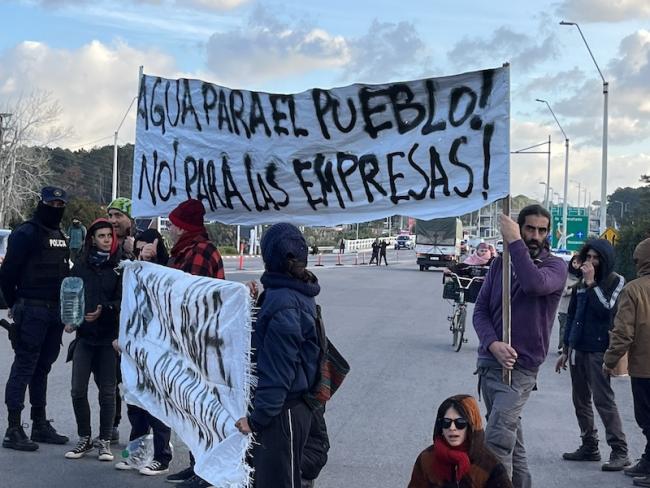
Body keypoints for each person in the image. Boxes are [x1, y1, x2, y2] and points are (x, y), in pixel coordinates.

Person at [473, 204, 567, 488]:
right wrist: (493, 344)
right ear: (520, 227)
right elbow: (480, 312)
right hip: (490, 367)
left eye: (542, 230)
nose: (535, 235)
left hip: (519, 371)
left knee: (496, 444)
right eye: (529, 229)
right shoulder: (500, 265)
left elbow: (533, 285)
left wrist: (514, 241)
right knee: (513, 446)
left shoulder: (555, 267)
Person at [235, 222, 320, 488]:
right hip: (286, 409)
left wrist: (257, 419)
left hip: (282, 414)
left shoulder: (283, 301)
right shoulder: (288, 292)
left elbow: (278, 371)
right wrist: (254, 304)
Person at [0, 186, 71, 451]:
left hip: (53, 311)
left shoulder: (60, 235)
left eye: (59, 205)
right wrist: (15, 302)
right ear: (40, 203)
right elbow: (7, 274)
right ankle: (13, 428)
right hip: (31, 309)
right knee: (24, 366)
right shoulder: (25, 232)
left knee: (43, 368)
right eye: (51, 204)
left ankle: (39, 422)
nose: (55, 208)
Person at [164, 199, 224, 488]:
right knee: (189, 408)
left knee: (201, 410)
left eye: (174, 224)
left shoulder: (199, 252)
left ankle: (206, 471)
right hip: (188, 343)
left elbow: (192, 299)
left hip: (199, 344)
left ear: (184, 226)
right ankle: (196, 465)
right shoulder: (186, 250)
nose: (171, 229)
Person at [556, 239, 629, 471]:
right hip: (579, 348)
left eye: (596, 258)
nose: (591, 262)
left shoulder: (615, 281)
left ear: (604, 259)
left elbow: (607, 310)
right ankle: (589, 445)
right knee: (580, 400)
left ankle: (620, 450)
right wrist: (566, 350)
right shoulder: (579, 285)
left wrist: (591, 284)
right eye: (588, 257)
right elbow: (572, 316)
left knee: (603, 400)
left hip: (599, 350)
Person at [114, 229, 173, 476]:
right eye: (137, 249)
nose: (141, 253)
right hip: (133, 347)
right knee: (135, 403)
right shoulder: (132, 271)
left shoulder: (167, 271)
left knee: (156, 404)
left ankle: (162, 456)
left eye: (146, 248)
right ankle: (136, 453)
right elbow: (126, 306)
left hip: (157, 348)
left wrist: (155, 259)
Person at [63, 218, 121, 462]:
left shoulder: (119, 268)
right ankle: (84, 438)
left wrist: (104, 309)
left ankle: (104, 441)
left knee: (107, 392)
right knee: (77, 390)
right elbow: (69, 294)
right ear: (91, 239)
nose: (106, 240)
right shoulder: (80, 267)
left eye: (109, 235)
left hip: (108, 339)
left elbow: (124, 302)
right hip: (84, 338)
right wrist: (70, 319)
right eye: (101, 236)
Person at [603, 238, 650, 484]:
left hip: (645, 368)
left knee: (646, 418)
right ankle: (648, 461)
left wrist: (609, 361)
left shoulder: (633, 289)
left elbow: (623, 333)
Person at [408, 394, 513, 488]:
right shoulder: (426, 458)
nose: (452, 428)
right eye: (446, 422)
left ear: (471, 426)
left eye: (460, 422)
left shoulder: (489, 464)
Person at [106, 196, 135, 443]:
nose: (114, 220)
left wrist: (136, 255)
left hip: (137, 326)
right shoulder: (106, 244)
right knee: (110, 380)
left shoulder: (144, 244)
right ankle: (112, 425)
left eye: (119, 215)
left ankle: (148, 434)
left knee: (136, 381)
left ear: (130, 219)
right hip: (111, 323)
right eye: (111, 215)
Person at [556, 255, 582, 353]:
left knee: (573, 328)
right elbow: (564, 291)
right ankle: (562, 347)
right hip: (564, 308)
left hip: (576, 308)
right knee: (564, 328)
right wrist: (575, 289)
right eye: (574, 262)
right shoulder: (565, 276)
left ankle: (569, 346)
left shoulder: (582, 277)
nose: (575, 265)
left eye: (578, 263)